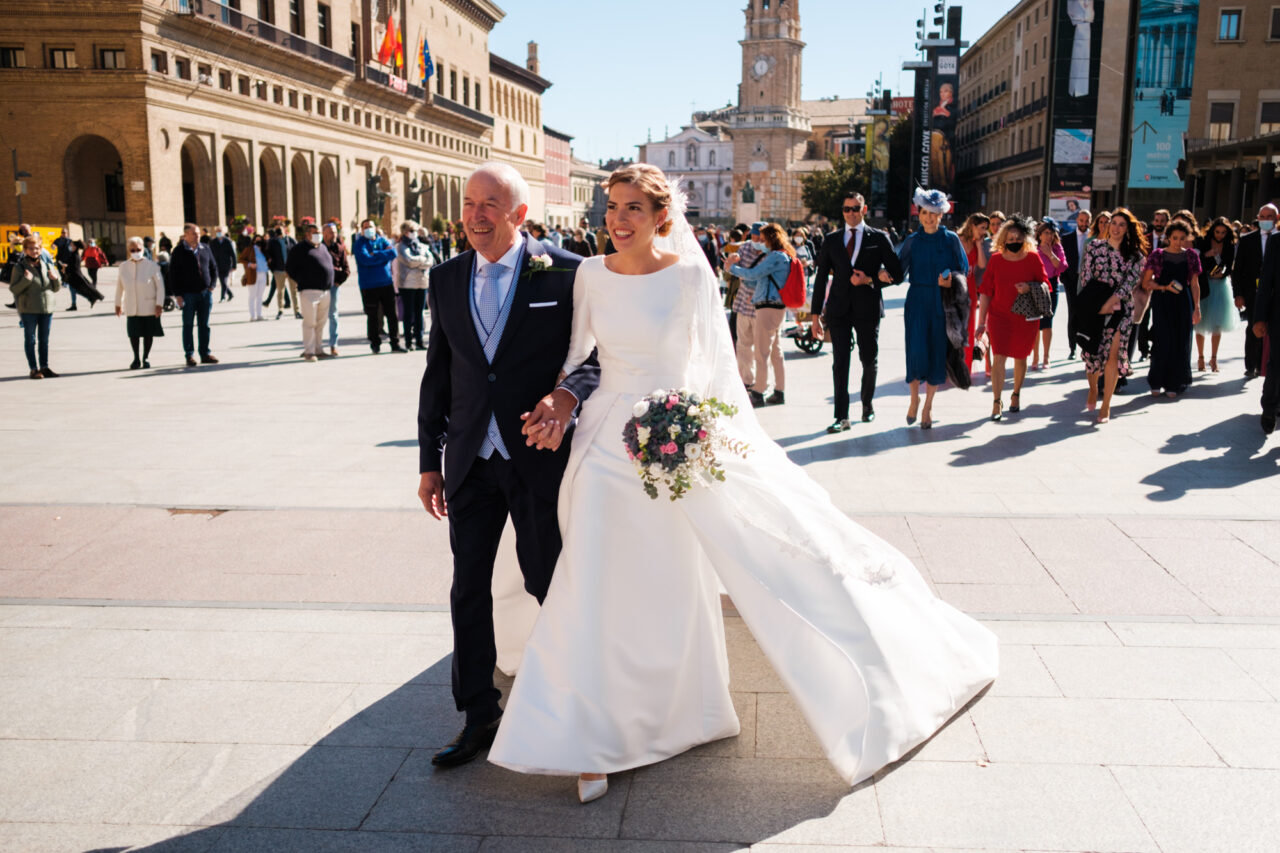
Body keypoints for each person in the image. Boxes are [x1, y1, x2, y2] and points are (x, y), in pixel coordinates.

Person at [482, 163, 997, 803]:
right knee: (591, 574)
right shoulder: (590, 274)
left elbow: (712, 366)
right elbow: (576, 357)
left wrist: (689, 432)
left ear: (661, 216)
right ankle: (591, 734)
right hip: (601, 447)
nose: (618, 220)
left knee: (667, 576)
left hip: (668, 439)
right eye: (612, 207)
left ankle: (682, 709)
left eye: (633, 208)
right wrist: (560, 400)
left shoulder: (692, 274)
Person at [416, 161, 601, 772]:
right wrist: (429, 461)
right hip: (469, 459)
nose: (475, 214)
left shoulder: (569, 273)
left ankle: (572, 701)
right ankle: (477, 713)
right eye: (469, 202)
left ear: (519, 214)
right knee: (468, 588)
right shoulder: (445, 278)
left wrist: (566, 395)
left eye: (490, 203)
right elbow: (439, 374)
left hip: (536, 459)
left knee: (546, 579)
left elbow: (602, 357)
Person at [810, 193, 903, 429]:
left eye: (855, 208)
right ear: (842, 211)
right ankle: (841, 416)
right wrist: (814, 317)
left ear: (864, 209)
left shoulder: (879, 238)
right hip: (838, 310)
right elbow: (820, 280)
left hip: (867, 308)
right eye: (846, 209)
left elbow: (899, 274)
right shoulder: (831, 240)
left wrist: (871, 280)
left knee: (868, 360)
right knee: (840, 363)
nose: (851, 212)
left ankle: (867, 405)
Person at [897, 189, 970, 429]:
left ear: (941, 215)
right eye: (925, 213)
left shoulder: (950, 239)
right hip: (917, 300)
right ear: (919, 214)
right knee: (916, 351)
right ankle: (914, 400)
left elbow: (963, 269)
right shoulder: (912, 241)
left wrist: (951, 279)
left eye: (934, 213)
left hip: (942, 302)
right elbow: (899, 272)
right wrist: (882, 274)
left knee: (937, 353)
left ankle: (928, 406)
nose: (929, 218)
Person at [1076, 207, 1147, 423]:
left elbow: (1130, 284)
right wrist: (1094, 305)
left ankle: (1106, 405)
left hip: (1120, 309)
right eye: (1113, 223)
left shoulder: (1136, 256)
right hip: (1094, 306)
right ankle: (1092, 389)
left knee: (1113, 356)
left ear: (1128, 229)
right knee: (1092, 354)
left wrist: (1111, 302)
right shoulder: (1094, 247)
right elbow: (1086, 277)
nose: (1115, 227)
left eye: (1121, 224)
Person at [975, 216, 1048, 421]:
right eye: (1010, 238)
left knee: (1020, 356)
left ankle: (1016, 393)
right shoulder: (996, 260)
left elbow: (1045, 286)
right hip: (999, 317)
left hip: (1025, 318)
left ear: (1024, 239)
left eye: (1018, 238)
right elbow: (986, 291)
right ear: (1003, 239)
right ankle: (997, 401)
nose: (1014, 241)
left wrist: (1029, 287)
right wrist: (981, 322)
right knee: (999, 357)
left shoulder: (1033, 258)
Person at [728, 223, 792, 407]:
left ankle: (758, 392)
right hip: (773, 306)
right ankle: (779, 391)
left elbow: (755, 274)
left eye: (763, 239)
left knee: (762, 353)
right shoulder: (784, 254)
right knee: (774, 351)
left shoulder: (775, 257)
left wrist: (731, 267)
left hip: (767, 306)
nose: (759, 242)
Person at [1140, 220, 1201, 398]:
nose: (1178, 242)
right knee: (1161, 339)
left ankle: (1174, 383)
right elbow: (1146, 283)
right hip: (1162, 301)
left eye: (1182, 238)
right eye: (1175, 238)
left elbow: (1195, 284)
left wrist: (1197, 308)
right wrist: (1164, 287)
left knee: (1180, 341)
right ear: (1168, 237)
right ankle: (1156, 381)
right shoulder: (1157, 255)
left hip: (1184, 301)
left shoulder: (1191, 256)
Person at [1233, 204, 1277, 379]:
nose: (1266, 220)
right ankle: (1251, 365)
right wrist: (1238, 294)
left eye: (1270, 216)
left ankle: (1265, 364)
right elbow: (1238, 270)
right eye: (1263, 216)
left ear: (1277, 218)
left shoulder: (1278, 239)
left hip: (1275, 293)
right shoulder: (1247, 240)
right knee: (1253, 326)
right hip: (1253, 293)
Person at [8, 234, 61, 379]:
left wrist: (55, 279)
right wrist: (26, 280)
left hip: (46, 308)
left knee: (44, 340)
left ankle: (44, 367)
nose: (34, 251)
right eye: (31, 249)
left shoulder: (47, 265)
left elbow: (56, 288)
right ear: (25, 250)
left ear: (41, 249)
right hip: (29, 309)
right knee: (30, 340)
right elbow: (14, 289)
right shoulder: (19, 268)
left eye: (37, 248)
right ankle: (33, 368)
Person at [169, 222, 220, 367]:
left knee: (204, 325)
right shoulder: (178, 251)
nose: (197, 236)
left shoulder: (205, 248)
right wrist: (178, 294)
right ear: (185, 235)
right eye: (194, 233)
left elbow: (213, 268)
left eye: (198, 233)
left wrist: (212, 286)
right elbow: (173, 274)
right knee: (188, 325)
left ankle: (205, 353)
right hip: (188, 295)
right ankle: (189, 355)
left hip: (205, 294)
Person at [1193, 217, 1238, 372]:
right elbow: (1196, 261)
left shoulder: (1229, 245)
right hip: (1205, 284)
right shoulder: (1203, 242)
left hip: (1220, 286)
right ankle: (1200, 358)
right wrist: (1207, 255)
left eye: (1223, 232)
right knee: (1201, 323)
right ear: (1212, 230)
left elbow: (1230, 265)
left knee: (1217, 324)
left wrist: (1223, 274)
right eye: (1218, 232)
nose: (1220, 235)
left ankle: (1213, 359)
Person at [286, 223, 335, 361]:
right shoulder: (299, 249)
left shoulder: (323, 247)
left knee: (321, 322)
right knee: (310, 322)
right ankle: (309, 351)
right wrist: (302, 280)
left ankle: (318, 349)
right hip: (309, 292)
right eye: (316, 232)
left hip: (325, 291)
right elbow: (289, 268)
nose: (319, 235)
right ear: (307, 234)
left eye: (319, 232)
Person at [114, 236, 165, 369]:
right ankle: (136, 358)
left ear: (143, 249)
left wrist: (159, 304)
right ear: (128, 250)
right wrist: (117, 304)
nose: (136, 252)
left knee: (148, 333)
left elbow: (160, 287)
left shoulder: (152, 266)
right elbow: (119, 286)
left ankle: (145, 357)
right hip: (131, 306)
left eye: (138, 249)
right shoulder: (123, 267)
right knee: (134, 334)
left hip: (149, 306)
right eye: (132, 249)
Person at [353, 219, 403, 353]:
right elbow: (365, 259)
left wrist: (374, 254)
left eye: (370, 226)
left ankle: (395, 343)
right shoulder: (359, 244)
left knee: (392, 315)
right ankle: (375, 343)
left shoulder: (382, 240)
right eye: (365, 227)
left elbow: (393, 253)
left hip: (386, 283)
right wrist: (382, 256)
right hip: (368, 286)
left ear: (375, 228)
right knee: (373, 316)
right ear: (362, 230)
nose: (368, 229)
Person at [1253, 228, 1280, 433]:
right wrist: (1259, 318)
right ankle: (1269, 408)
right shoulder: (1276, 241)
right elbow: (1266, 281)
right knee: (1277, 364)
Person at [957, 213, 990, 372]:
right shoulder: (957, 239)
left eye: (985, 228)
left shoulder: (977, 243)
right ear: (972, 226)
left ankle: (965, 367)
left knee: (969, 329)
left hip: (970, 289)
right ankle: (951, 367)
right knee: (954, 327)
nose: (984, 231)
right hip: (955, 288)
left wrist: (978, 245)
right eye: (982, 228)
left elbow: (982, 265)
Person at [1033, 219, 1068, 369]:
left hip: (1052, 285)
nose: (1048, 236)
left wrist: (1050, 254)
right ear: (1039, 234)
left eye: (1051, 233)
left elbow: (1062, 267)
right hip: (1035, 285)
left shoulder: (1057, 247)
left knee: (1047, 322)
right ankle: (1035, 357)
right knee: (1035, 323)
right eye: (1046, 233)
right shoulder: (1033, 248)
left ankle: (1046, 357)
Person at [395, 220, 433, 351]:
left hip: (422, 283)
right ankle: (408, 341)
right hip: (407, 284)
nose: (414, 233)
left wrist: (420, 261)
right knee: (408, 313)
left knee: (419, 313)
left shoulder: (422, 246)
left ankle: (419, 340)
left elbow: (430, 260)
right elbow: (408, 261)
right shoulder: (401, 246)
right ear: (405, 232)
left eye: (415, 231)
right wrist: (421, 261)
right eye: (411, 231)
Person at [1061, 208, 1092, 359]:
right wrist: (1065, 279)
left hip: (1089, 283)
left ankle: (1085, 347)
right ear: (1077, 220)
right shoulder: (1066, 238)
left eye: (1087, 221)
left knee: (1087, 315)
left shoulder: (1095, 239)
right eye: (1081, 220)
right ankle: (1072, 348)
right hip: (1072, 281)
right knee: (1072, 314)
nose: (1084, 223)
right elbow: (1062, 260)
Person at [323, 223, 350, 356]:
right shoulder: (318, 247)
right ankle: (314, 346)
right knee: (317, 317)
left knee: (333, 316)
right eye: (331, 232)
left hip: (333, 287)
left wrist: (339, 282)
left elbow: (346, 269)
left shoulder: (339, 248)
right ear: (324, 234)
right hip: (318, 288)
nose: (334, 235)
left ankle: (333, 344)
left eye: (335, 232)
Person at [238, 235, 265, 321]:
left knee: (260, 296)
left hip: (262, 274)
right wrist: (250, 264)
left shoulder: (264, 249)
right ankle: (252, 316)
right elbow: (241, 259)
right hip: (252, 274)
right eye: (257, 240)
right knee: (252, 296)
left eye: (260, 240)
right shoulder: (249, 249)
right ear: (253, 241)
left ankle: (259, 315)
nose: (258, 242)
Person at [210, 227, 237, 303]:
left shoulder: (228, 241)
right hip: (217, 265)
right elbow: (210, 254)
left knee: (223, 281)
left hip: (226, 265)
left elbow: (233, 254)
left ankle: (223, 297)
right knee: (222, 281)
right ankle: (230, 294)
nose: (219, 233)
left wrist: (234, 265)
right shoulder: (213, 242)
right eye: (217, 231)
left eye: (220, 231)